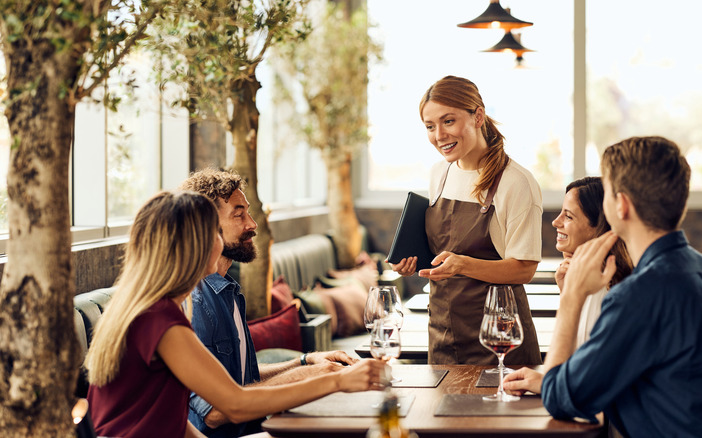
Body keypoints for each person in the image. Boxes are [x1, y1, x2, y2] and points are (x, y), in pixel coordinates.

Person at [504, 136, 702, 437]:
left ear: (620, 205)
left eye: (606, 192)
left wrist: (571, 298)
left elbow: (560, 399)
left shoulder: (638, 296)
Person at [85, 191, 383, 438]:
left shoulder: (146, 306)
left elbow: (168, 414)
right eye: (215, 232)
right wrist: (338, 381)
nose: (220, 240)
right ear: (195, 245)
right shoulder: (161, 320)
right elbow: (235, 404)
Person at [179, 168, 360, 437]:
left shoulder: (227, 291)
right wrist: (316, 377)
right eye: (238, 214)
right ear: (206, 227)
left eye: (248, 212)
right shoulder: (196, 302)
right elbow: (215, 413)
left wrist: (306, 361)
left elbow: (242, 380)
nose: (252, 224)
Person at [392, 75, 542, 366]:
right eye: (430, 126)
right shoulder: (440, 173)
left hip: (500, 339)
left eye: (448, 121)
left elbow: (524, 270)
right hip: (442, 334)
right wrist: (414, 260)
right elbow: (442, 248)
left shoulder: (516, 182)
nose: (439, 135)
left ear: (478, 116)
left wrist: (462, 264)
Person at [551, 177, 632, 347]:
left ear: (599, 227)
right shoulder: (585, 279)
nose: (555, 222)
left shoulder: (606, 289)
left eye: (568, 216)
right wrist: (566, 293)